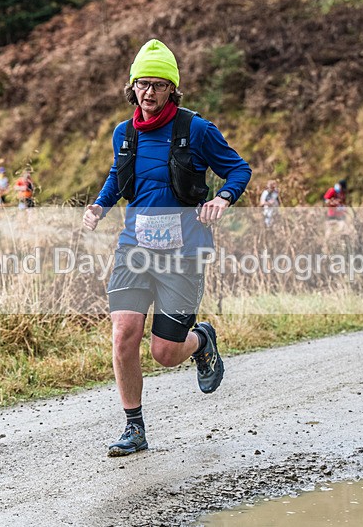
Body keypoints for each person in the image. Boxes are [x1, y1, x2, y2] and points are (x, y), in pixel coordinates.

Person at [82, 39, 251, 457]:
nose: (149, 92)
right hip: (134, 249)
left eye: (159, 85)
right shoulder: (124, 134)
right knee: (124, 333)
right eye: (143, 84)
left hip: (183, 253)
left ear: (172, 89)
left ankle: (201, 341)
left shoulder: (196, 129)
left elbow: (238, 169)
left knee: (165, 353)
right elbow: (118, 176)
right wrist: (100, 205)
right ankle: (133, 427)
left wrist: (222, 198)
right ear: (132, 87)